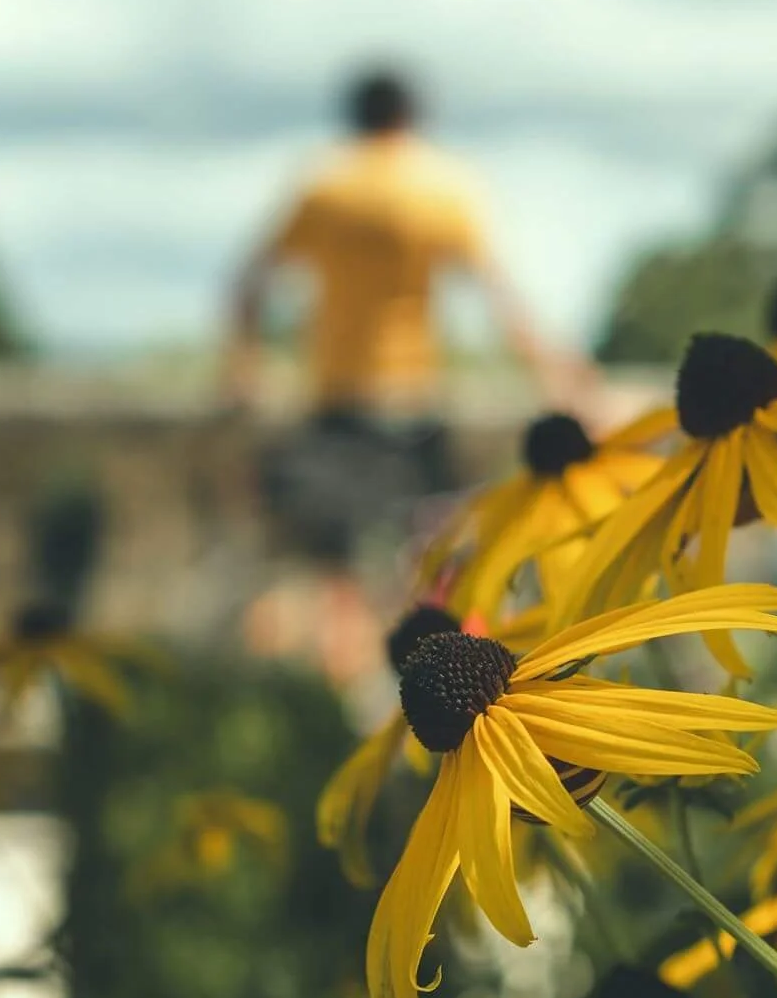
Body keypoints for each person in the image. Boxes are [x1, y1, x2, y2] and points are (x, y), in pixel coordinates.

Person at [222, 68, 583, 686]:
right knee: (432, 570)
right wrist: (567, 379)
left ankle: (343, 701)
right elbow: (501, 298)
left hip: (337, 399)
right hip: (414, 398)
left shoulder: (324, 186)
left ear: (353, 118)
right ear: (413, 117)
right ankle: (432, 698)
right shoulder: (440, 185)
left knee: (336, 578)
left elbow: (250, 282)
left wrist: (245, 368)